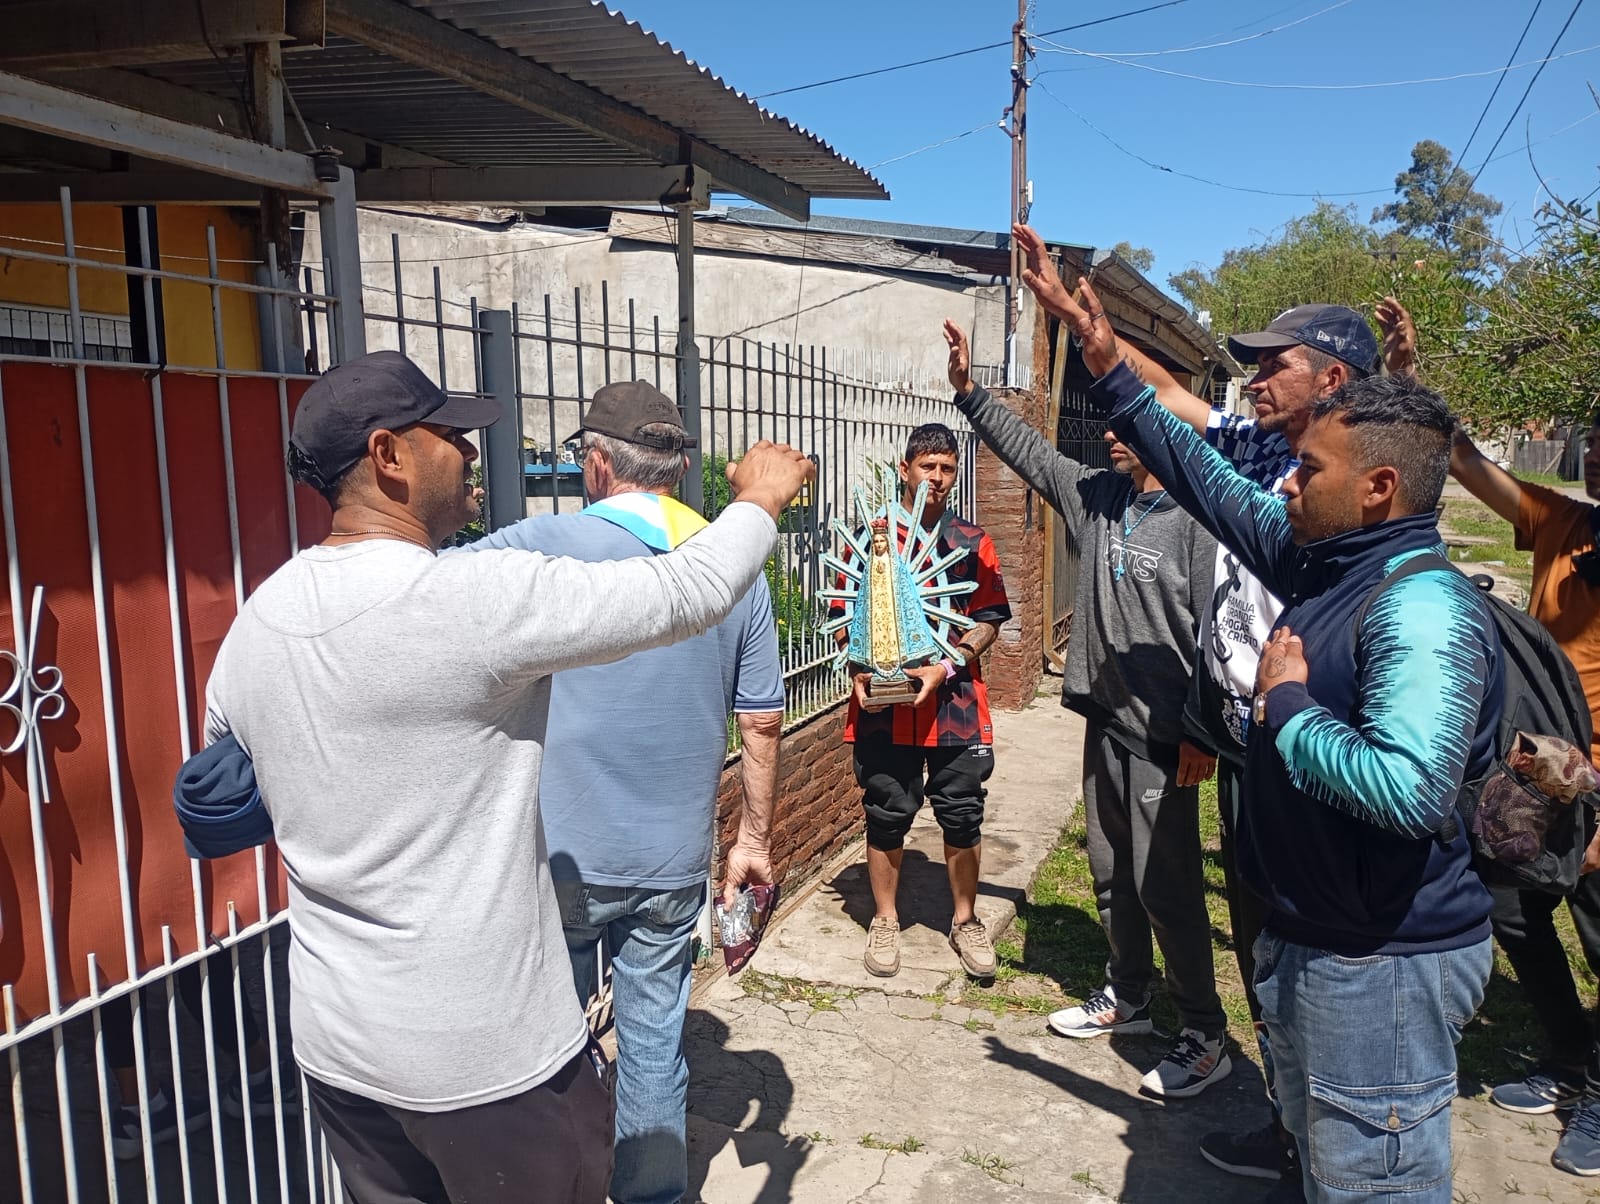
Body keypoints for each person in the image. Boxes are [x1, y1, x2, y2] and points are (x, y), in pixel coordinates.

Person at [201, 350, 813, 1204]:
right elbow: (687, 591)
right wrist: (758, 496)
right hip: (483, 1060)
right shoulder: (473, 599)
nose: (470, 451)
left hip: (340, 1047)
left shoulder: (259, 621)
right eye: (447, 434)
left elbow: (222, 797)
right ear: (388, 455)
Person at [1046, 275, 1502, 1204]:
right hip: (1313, 936)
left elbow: (1412, 792)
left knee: (1373, 1186)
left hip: (1380, 966)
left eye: (1309, 471)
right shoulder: (1323, 559)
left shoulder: (1421, 606)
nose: (1286, 481)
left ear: (1377, 488)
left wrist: (1287, 706)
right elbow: (1210, 484)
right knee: (1325, 1168)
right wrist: (1109, 369)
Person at [463, 379, 784, 1204]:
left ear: (599, 464)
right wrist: (752, 841)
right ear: (677, 468)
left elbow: (415, 601)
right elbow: (760, 723)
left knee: (541, 1051)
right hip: (671, 859)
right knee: (653, 1044)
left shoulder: (539, 544)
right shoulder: (730, 562)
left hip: (559, 853)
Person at [942, 320, 1230, 1099]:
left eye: (1123, 425)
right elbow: (1032, 456)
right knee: (1110, 872)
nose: (1108, 435)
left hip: (1166, 733)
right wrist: (969, 394)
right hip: (1106, 718)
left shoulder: (1200, 518)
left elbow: (1219, 632)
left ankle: (1204, 1032)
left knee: (1165, 884)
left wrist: (1202, 730)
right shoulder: (1097, 496)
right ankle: (1129, 996)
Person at [1450, 420, 1600, 1177]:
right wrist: (1408, 386)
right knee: (1513, 909)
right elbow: (1465, 463)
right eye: (1597, 440)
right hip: (1541, 773)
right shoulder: (1565, 523)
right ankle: (1570, 1054)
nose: (1597, 455)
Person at [835, 423, 1011, 981]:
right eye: (927, 466)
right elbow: (846, 614)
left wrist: (946, 665)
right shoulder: (872, 536)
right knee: (887, 810)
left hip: (955, 700)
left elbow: (989, 619)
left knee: (962, 811)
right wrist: (858, 671)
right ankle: (885, 919)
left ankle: (966, 920)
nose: (937, 477)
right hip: (884, 705)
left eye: (947, 468)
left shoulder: (972, 541)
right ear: (905, 469)